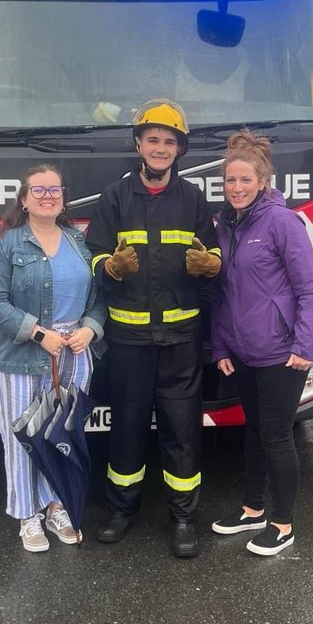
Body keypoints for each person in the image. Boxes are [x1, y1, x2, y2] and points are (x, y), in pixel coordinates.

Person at [86, 99, 222, 559]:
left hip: (182, 340)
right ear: (138, 144)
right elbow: (95, 256)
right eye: (153, 139)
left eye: (170, 141)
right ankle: (121, 511)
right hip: (129, 341)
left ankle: (183, 518)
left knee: (182, 430)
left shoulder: (193, 200)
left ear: (179, 150)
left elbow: (216, 255)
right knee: (125, 427)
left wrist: (209, 265)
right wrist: (112, 267)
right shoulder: (115, 197)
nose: (161, 148)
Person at [210, 130, 313, 556]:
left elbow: (312, 291)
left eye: (245, 180)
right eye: (230, 181)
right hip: (243, 353)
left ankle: (282, 524)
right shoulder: (225, 225)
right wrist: (221, 347)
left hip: (282, 354)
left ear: (263, 181)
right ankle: (252, 509)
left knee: (277, 436)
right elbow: (224, 293)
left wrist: (304, 346)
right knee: (254, 432)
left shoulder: (282, 223)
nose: (237, 188)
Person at [0, 165, 106, 552]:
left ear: (63, 198)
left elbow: (99, 298)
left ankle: (56, 506)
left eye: (54, 189)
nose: (47, 195)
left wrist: (90, 329)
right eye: (38, 190)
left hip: (74, 355)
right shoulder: (5, 245)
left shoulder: (80, 242)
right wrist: (38, 333)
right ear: (24, 199)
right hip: (22, 354)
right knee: (22, 438)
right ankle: (27, 516)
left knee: (61, 435)